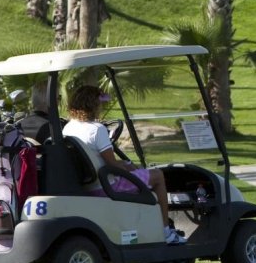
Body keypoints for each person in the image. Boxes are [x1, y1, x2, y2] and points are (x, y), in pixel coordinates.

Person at [63, 85, 186, 245]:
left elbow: (100, 160)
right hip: (108, 186)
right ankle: (166, 232)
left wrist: (127, 165)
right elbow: (113, 165)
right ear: (93, 105)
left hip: (88, 184)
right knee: (158, 176)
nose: (101, 107)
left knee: (135, 169)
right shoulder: (97, 130)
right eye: (100, 104)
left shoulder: (68, 128)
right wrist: (130, 167)